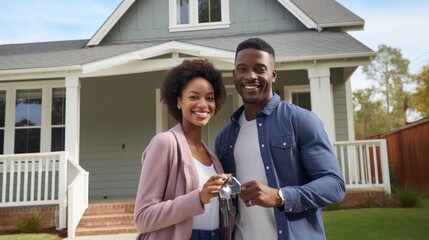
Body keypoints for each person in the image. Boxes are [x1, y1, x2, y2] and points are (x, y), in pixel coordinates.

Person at [214, 38, 346, 240]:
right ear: (234, 75)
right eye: (242, 69)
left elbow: (334, 185)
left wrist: (280, 196)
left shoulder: (301, 120)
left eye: (260, 69)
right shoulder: (224, 137)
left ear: (273, 75)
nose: (250, 76)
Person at [134, 59, 232, 240]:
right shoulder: (164, 143)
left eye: (209, 98)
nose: (203, 104)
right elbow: (143, 217)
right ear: (179, 102)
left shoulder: (213, 158)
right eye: (194, 97)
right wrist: (199, 197)